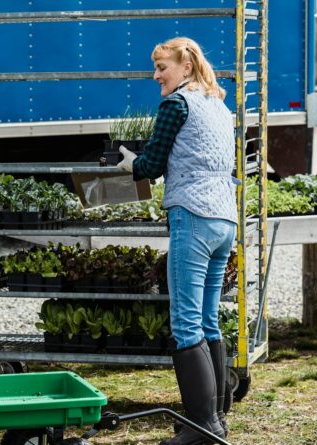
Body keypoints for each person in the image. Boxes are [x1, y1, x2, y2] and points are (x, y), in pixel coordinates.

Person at [117, 37, 237, 445]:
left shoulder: (177, 104)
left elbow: (151, 164)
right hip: (225, 218)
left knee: (186, 324)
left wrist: (130, 162)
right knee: (208, 320)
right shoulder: (219, 106)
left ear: (185, 67)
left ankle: (203, 428)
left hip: (193, 216)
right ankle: (215, 417)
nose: (156, 76)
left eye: (161, 68)